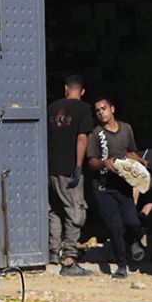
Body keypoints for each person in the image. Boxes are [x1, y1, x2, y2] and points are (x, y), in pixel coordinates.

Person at [84, 97, 144, 278]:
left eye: (104, 108)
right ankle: (121, 264)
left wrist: (141, 163)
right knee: (115, 225)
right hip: (103, 188)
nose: (101, 112)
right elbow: (91, 162)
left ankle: (134, 241)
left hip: (124, 185)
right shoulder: (95, 134)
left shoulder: (126, 129)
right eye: (97, 110)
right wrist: (104, 163)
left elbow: (131, 151)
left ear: (112, 109)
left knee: (132, 221)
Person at [47, 75, 94, 275]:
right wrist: (78, 165)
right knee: (75, 212)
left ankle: (53, 252)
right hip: (68, 168)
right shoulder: (83, 109)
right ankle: (69, 260)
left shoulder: (51, 108)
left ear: (66, 88)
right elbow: (82, 138)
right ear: (81, 92)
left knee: (56, 211)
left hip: (51, 169)